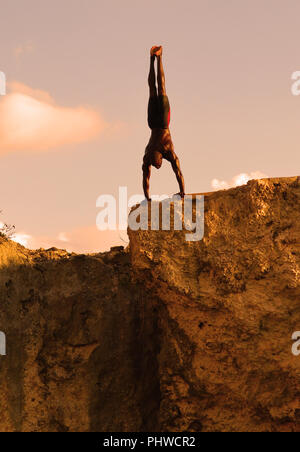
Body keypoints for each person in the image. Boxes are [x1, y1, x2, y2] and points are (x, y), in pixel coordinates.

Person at [142, 46, 185, 201]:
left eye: (157, 165)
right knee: (153, 90)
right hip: (153, 123)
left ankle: (158, 58)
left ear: (160, 157)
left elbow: (178, 172)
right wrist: (147, 197)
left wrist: (182, 191)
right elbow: (146, 179)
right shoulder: (148, 156)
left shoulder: (167, 150)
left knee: (160, 89)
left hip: (160, 122)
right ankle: (153, 58)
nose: (158, 166)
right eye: (157, 165)